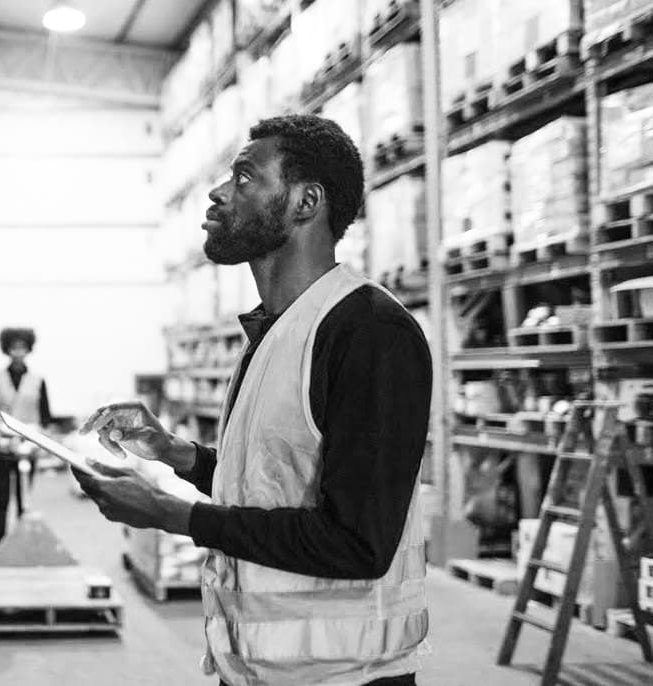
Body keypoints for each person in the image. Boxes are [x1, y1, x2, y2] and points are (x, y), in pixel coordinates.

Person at [74, 115, 432, 686]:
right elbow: (269, 484)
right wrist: (175, 453)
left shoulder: (370, 332)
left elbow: (358, 542)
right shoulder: (278, 331)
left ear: (305, 202)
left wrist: (172, 514)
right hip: (260, 670)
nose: (219, 192)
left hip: (345, 676)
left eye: (244, 177)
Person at [0, 327, 54, 545]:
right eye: (13, 348)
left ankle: (22, 544)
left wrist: (38, 434)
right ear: (7, 349)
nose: (18, 352)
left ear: (28, 349)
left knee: (24, 500)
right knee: (2, 499)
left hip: (28, 446)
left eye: (22, 348)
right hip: (3, 445)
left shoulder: (38, 380)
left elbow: (47, 416)